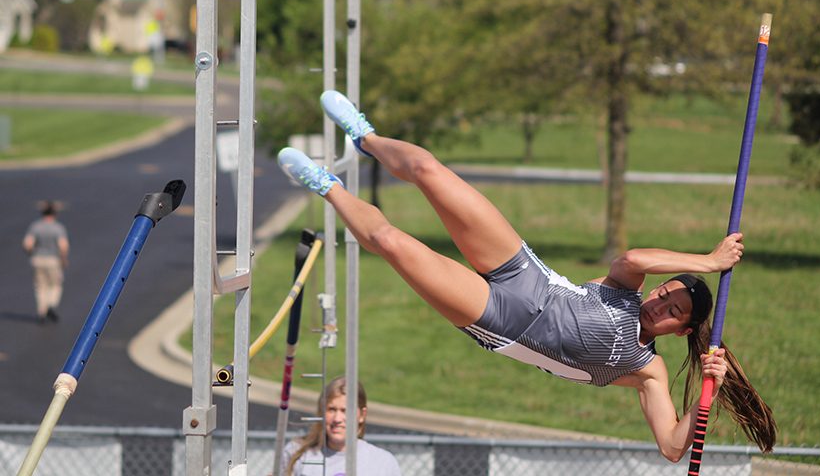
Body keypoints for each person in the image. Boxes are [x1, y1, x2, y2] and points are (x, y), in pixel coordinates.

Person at [278, 90, 777, 462]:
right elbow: (634, 258)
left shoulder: (647, 370)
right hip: (524, 271)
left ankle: (326, 186)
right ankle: (365, 136)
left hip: (499, 320)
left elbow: (672, 446)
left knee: (391, 243)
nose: (660, 305)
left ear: (682, 330)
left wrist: (707, 392)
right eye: (666, 294)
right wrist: (707, 261)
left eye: (673, 312)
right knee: (430, 170)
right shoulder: (629, 289)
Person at [281, 376, 402, 475]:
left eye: (345, 411)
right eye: (331, 409)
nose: (337, 419)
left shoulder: (383, 463)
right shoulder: (296, 452)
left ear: (362, 415)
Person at [22, 200, 70, 324]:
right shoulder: (58, 228)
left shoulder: (35, 226)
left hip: (37, 259)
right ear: (54, 214)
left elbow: (28, 244)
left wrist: (32, 253)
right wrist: (64, 259)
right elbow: (63, 245)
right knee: (55, 284)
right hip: (53, 259)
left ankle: (41, 311)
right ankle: (51, 305)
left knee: (40, 286)